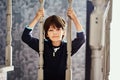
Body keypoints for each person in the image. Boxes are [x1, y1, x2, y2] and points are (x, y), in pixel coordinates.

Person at [21, 7, 85, 80]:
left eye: (58, 29)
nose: (55, 33)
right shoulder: (42, 45)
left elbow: (81, 39)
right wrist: (37, 18)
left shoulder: (67, 47)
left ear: (63, 32)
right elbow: (25, 37)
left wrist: (74, 18)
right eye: (51, 30)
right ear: (47, 34)